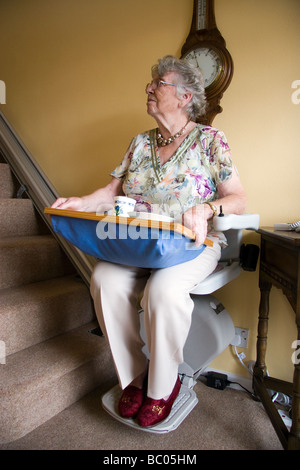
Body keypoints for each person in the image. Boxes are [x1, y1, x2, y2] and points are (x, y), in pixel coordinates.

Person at [52, 55, 247, 428]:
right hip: (137, 242)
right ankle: (137, 377)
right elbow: (110, 193)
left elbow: (238, 197)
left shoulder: (210, 141)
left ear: (185, 96)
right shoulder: (140, 143)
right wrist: (80, 201)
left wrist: (206, 209)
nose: (149, 88)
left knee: (162, 291)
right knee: (103, 281)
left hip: (192, 244)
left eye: (158, 83)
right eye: (151, 83)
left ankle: (163, 386)